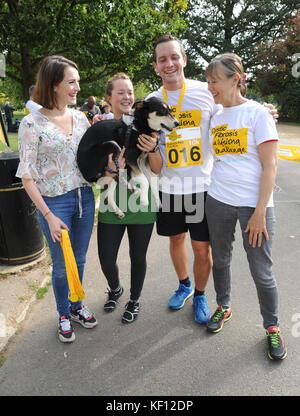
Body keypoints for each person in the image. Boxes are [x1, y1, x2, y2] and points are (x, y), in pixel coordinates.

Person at [148, 35, 278, 326]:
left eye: (174, 57)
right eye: (162, 59)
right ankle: (184, 285)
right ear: (156, 65)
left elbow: (233, 111)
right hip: (169, 187)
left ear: (184, 59)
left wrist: (264, 110)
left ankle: (201, 294)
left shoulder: (204, 92)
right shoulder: (152, 101)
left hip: (203, 187)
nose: (169, 64)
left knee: (202, 248)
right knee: (176, 239)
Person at [204, 53, 287, 360]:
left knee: (261, 271)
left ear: (235, 79)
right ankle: (223, 307)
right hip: (219, 201)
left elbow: (271, 166)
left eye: (215, 81)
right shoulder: (215, 115)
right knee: (221, 260)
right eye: (208, 80)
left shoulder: (258, 114)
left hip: (255, 207)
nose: (210, 86)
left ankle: (272, 327)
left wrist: (260, 212)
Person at [16, 55, 98, 343]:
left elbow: (91, 156)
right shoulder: (31, 123)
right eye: (71, 82)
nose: (77, 87)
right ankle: (63, 313)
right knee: (62, 264)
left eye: (78, 82)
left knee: (81, 258)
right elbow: (27, 176)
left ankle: (77, 306)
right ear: (53, 85)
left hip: (84, 199)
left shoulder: (80, 117)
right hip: (55, 204)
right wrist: (49, 215)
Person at [95, 72, 161, 323]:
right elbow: (92, 168)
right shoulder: (100, 128)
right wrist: (111, 167)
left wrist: (152, 148)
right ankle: (115, 289)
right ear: (108, 97)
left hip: (141, 205)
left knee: (138, 257)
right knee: (106, 259)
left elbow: (156, 168)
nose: (127, 97)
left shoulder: (146, 127)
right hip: (112, 205)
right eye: (120, 92)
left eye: (130, 92)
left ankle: (134, 300)